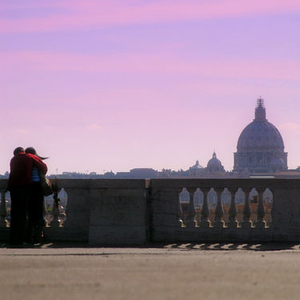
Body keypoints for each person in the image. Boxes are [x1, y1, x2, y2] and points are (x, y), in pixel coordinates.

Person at [7, 147, 48, 245]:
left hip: (13, 188)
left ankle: (15, 238)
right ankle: (32, 238)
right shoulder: (29, 157)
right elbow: (44, 168)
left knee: (16, 213)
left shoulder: (13, 159)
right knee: (32, 213)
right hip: (28, 188)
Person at [25, 147, 49, 243]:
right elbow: (44, 169)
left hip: (27, 187)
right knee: (39, 211)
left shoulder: (25, 160)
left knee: (30, 212)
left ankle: (29, 236)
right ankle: (38, 235)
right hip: (38, 187)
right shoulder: (36, 160)